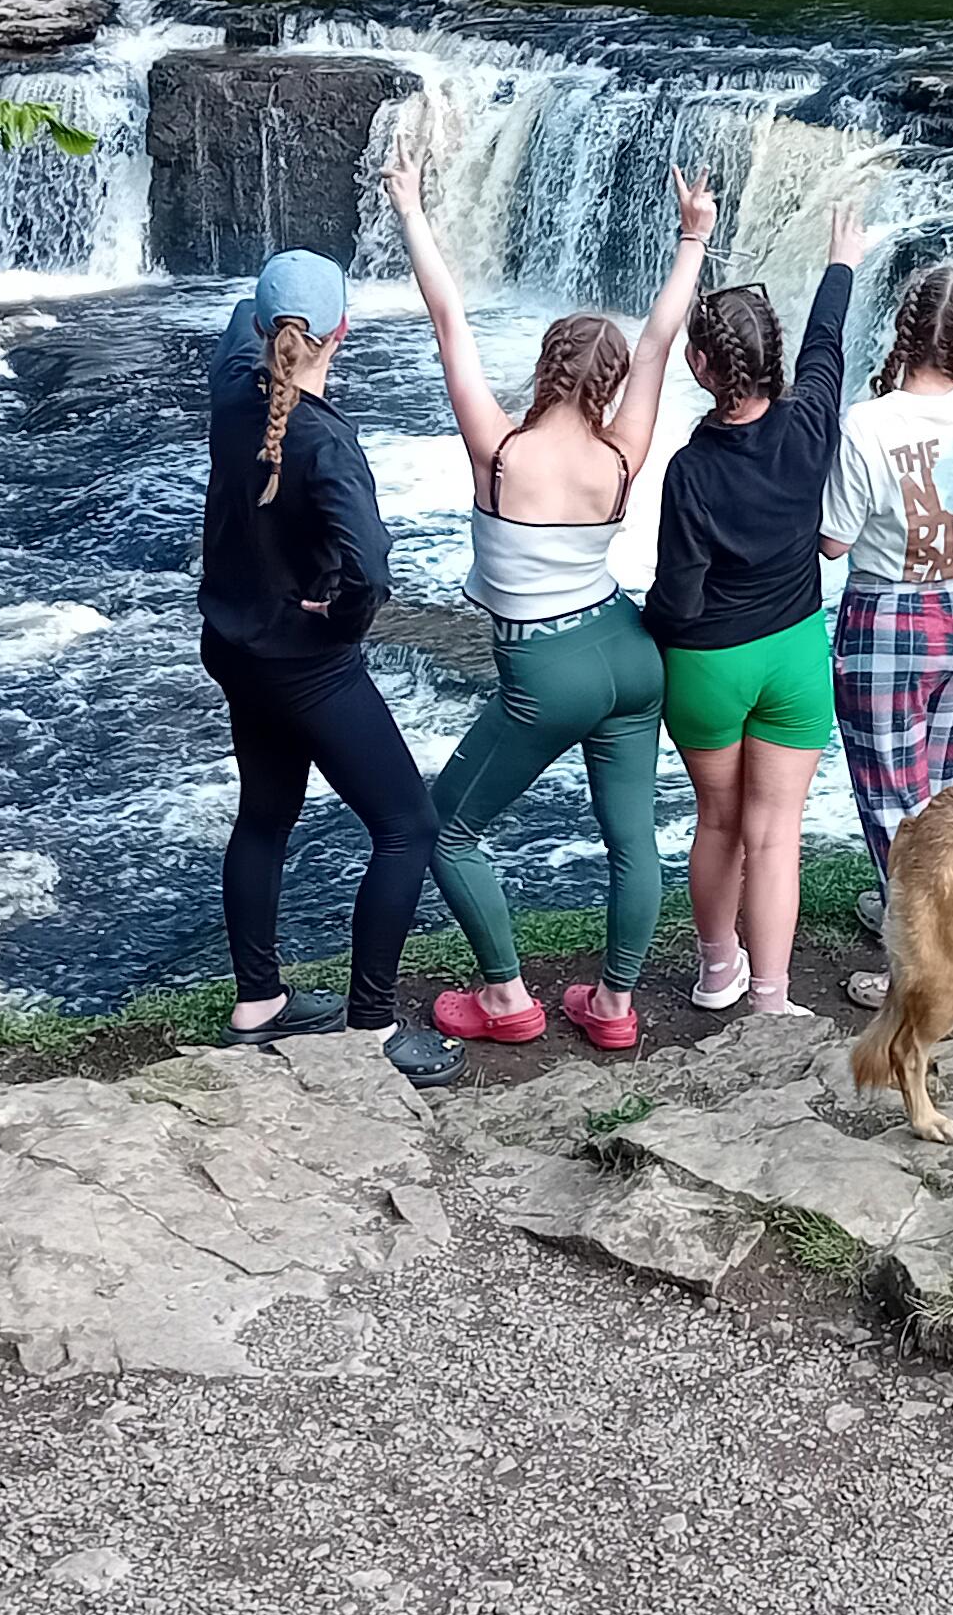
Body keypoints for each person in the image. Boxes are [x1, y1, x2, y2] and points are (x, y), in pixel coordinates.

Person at [390, 151, 715, 1053]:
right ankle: (612, 1006)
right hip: (628, 648)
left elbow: (449, 320)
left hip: (546, 665)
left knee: (446, 830)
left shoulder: (499, 451)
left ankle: (505, 999)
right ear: (607, 387)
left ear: (544, 368)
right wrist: (694, 238)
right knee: (631, 839)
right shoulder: (623, 454)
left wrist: (411, 205)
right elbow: (658, 341)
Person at [196, 250, 460, 1082]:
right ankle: (371, 1031)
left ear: (272, 329)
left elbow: (245, 323)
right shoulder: (323, 444)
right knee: (407, 826)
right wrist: (342, 618)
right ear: (341, 331)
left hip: (236, 648)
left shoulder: (234, 392)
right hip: (308, 666)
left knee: (266, 815)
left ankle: (260, 1003)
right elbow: (371, 565)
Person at [644, 207, 871, 1015]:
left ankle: (716, 973)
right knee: (775, 833)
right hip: (793, 655)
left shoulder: (690, 471)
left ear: (700, 366)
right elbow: (827, 346)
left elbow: (676, 595)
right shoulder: (812, 423)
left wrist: (649, 634)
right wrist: (843, 258)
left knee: (718, 823)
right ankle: (772, 1000)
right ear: (770, 354)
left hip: (709, 664)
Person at [822, 261, 953, 998]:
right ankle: (938, 919)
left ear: (902, 330)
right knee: (942, 792)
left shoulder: (868, 424)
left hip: (890, 620)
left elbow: (833, 541)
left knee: (892, 802)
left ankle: (921, 968)